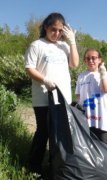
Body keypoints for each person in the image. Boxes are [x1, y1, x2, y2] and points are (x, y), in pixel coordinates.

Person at [24, 12, 79, 176]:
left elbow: (74, 64)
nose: (56, 33)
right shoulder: (37, 45)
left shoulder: (64, 46)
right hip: (43, 97)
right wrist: (45, 80)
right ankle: (33, 169)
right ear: (46, 27)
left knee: (59, 134)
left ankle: (54, 168)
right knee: (43, 132)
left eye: (60, 30)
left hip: (63, 98)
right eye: (53, 29)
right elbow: (29, 68)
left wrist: (72, 42)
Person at [75, 48, 107, 144]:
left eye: (94, 58)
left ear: (99, 60)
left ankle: (106, 159)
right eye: (88, 58)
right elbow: (78, 95)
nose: (91, 61)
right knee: (87, 145)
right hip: (85, 118)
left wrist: (102, 74)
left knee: (103, 144)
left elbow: (105, 89)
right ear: (84, 60)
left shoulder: (105, 74)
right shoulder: (81, 76)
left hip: (100, 118)